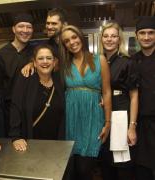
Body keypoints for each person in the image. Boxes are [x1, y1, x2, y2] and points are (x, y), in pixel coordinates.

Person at [59, 25, 111, 180]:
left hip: (92, 118)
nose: (72, 42)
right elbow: (42, 65)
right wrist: (30, 63)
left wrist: (108, 123)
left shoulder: (99, 59)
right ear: (64, 45)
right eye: (67, 41)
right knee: (71, 170)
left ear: (81, 37)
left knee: (85, 169)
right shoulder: (63, 65)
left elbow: (107, 92)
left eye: (74, 37)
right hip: (71, 119)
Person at [99, 22, 138, 180]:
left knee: (122, 165)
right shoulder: (97, 62)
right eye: (106, 36)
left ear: (119, 39)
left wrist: (132, 127)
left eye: (114, 36)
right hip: (102, 115)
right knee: (106, 163)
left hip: (121, 113)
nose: (109, 39)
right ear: (101, 39)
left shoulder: (127, 62)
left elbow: (134, 96)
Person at [9, 44, 65, 151]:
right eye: (40, 58)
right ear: (34, 62)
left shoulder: (60, 81)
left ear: (54, 62)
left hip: (56, 144)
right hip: (30, 142)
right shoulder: (25, 78)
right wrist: (16, 137)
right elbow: (15, 107)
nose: (45, 61)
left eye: (49, 58)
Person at [0, 13, 34, 133]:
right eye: (21, 26)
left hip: (32, 110)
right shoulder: (1, 55)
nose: (25, 30)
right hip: (8, 112)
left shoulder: (37, 53)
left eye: (29, 27)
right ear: (13, 29)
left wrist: (33, 63)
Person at [132, 16, 155, 180]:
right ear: (137, 35)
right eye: (142, 33)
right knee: (142, 171)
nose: (146, 37)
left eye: (151, 33)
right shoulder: (132, 61)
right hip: (141, 125)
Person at [22, 8, 68, 77]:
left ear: (64, 25)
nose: (49, 27)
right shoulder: (46, 46)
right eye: (48, 23)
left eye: (54, 23)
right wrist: (32, 64)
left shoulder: (70, 45)